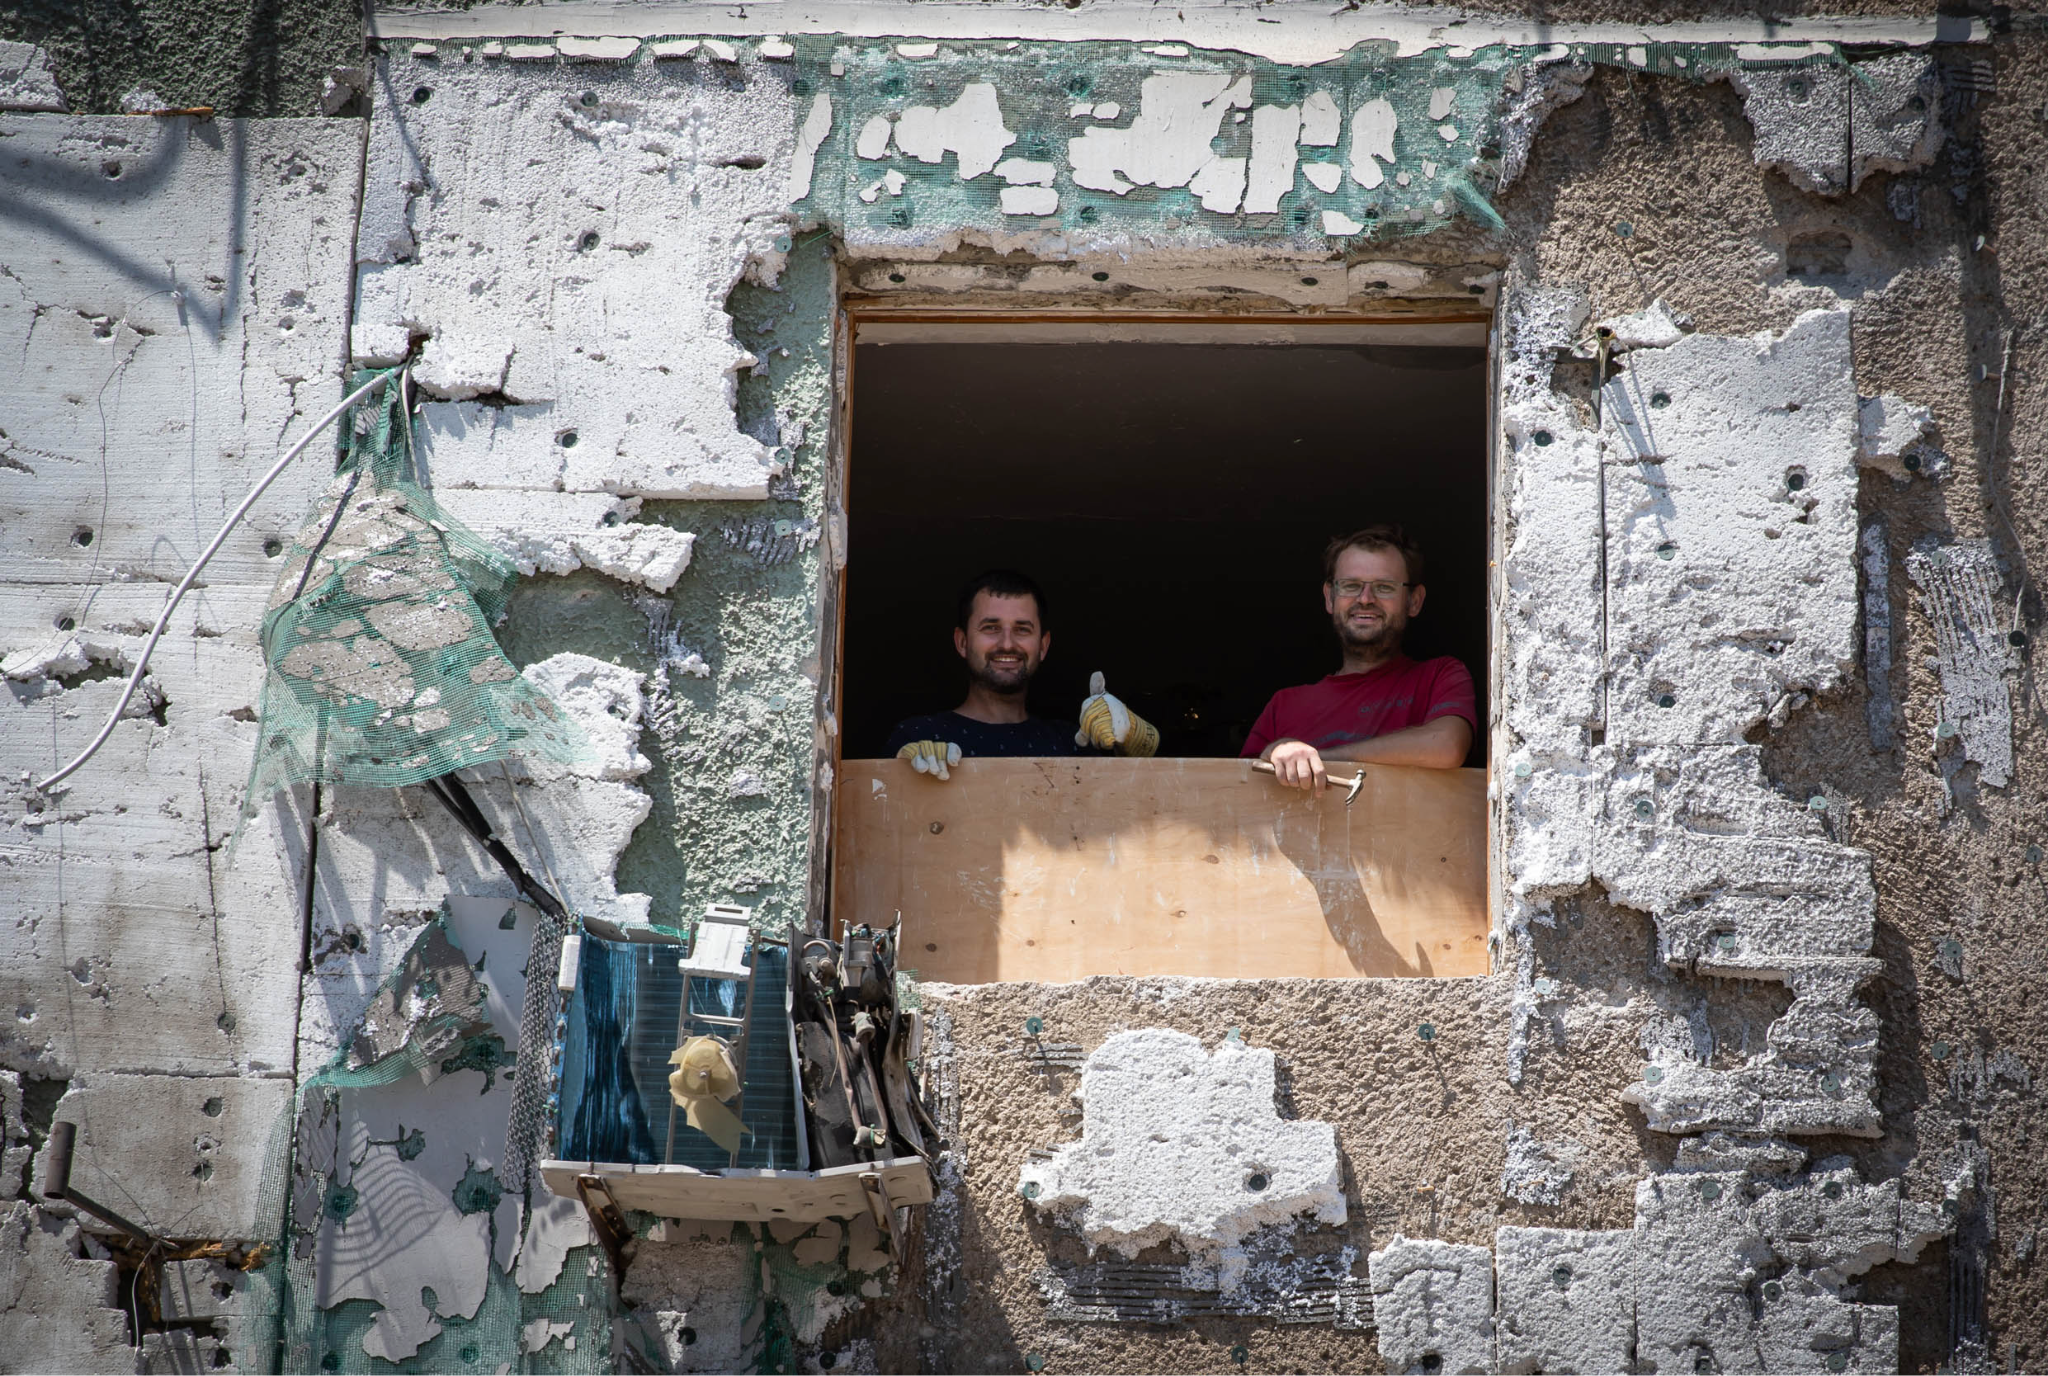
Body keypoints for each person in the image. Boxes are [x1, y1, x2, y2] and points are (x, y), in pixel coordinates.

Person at [1244, 524, 1475, 789]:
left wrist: (1317, 757)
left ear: (1414, 601)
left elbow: (1447, 747)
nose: (1365, 599)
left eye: (1384, 587)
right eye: (1351, 585)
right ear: (1330, 598)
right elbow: (1238, 794)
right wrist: (1277, 749)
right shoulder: (1283, 706)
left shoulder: (1440, 676)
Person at [885, 570, 1158, 779]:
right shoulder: (920, 735)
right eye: (991, 627)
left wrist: (1132, 739)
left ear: (1043, 645)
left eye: (1022, 629)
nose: (1007, 643)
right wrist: (900, 773)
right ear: (962, 642)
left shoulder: (1072, 743)